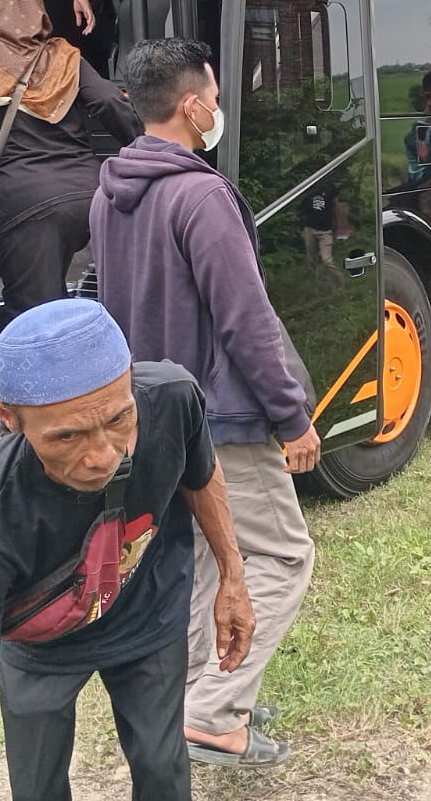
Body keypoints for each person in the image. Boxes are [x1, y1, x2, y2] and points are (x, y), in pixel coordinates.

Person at [91, 39, 318, 769]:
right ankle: (217, 715)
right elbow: (244, 319)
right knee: (282, 556)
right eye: (214, 95)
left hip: (153, 414)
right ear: (191, 105)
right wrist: (292, 415)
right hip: (219, 419)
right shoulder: (202, 195)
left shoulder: (108, 192)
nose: (218, 106)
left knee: (200, 562)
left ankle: (207, 692)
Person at [0, 299, 255, 801]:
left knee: (160, 765)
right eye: (68, 436)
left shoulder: (169, 397)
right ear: (7, 417)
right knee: (36, 788)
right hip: (44, 645)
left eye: (118, 419)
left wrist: (233, 576)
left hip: (148, 611)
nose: (104, 455)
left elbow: (201, 473)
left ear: (129, 378)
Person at [0, 0, 139, 315]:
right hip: (90, 194)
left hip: (27, 205)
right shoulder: (63, 57)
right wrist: (148, 147)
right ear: (39, 11)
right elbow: (110, 103)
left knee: (37, 320)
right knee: (111, 304)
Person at [298, 180, 344, 271]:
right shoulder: (309, 193)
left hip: (325, 230)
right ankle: (314, 279)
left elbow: (336, 206)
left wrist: (339, 224)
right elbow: (302, 210)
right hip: (310, 228)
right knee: (311, 258)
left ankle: (338, 282)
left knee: (327, 261)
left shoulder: (330, 190)